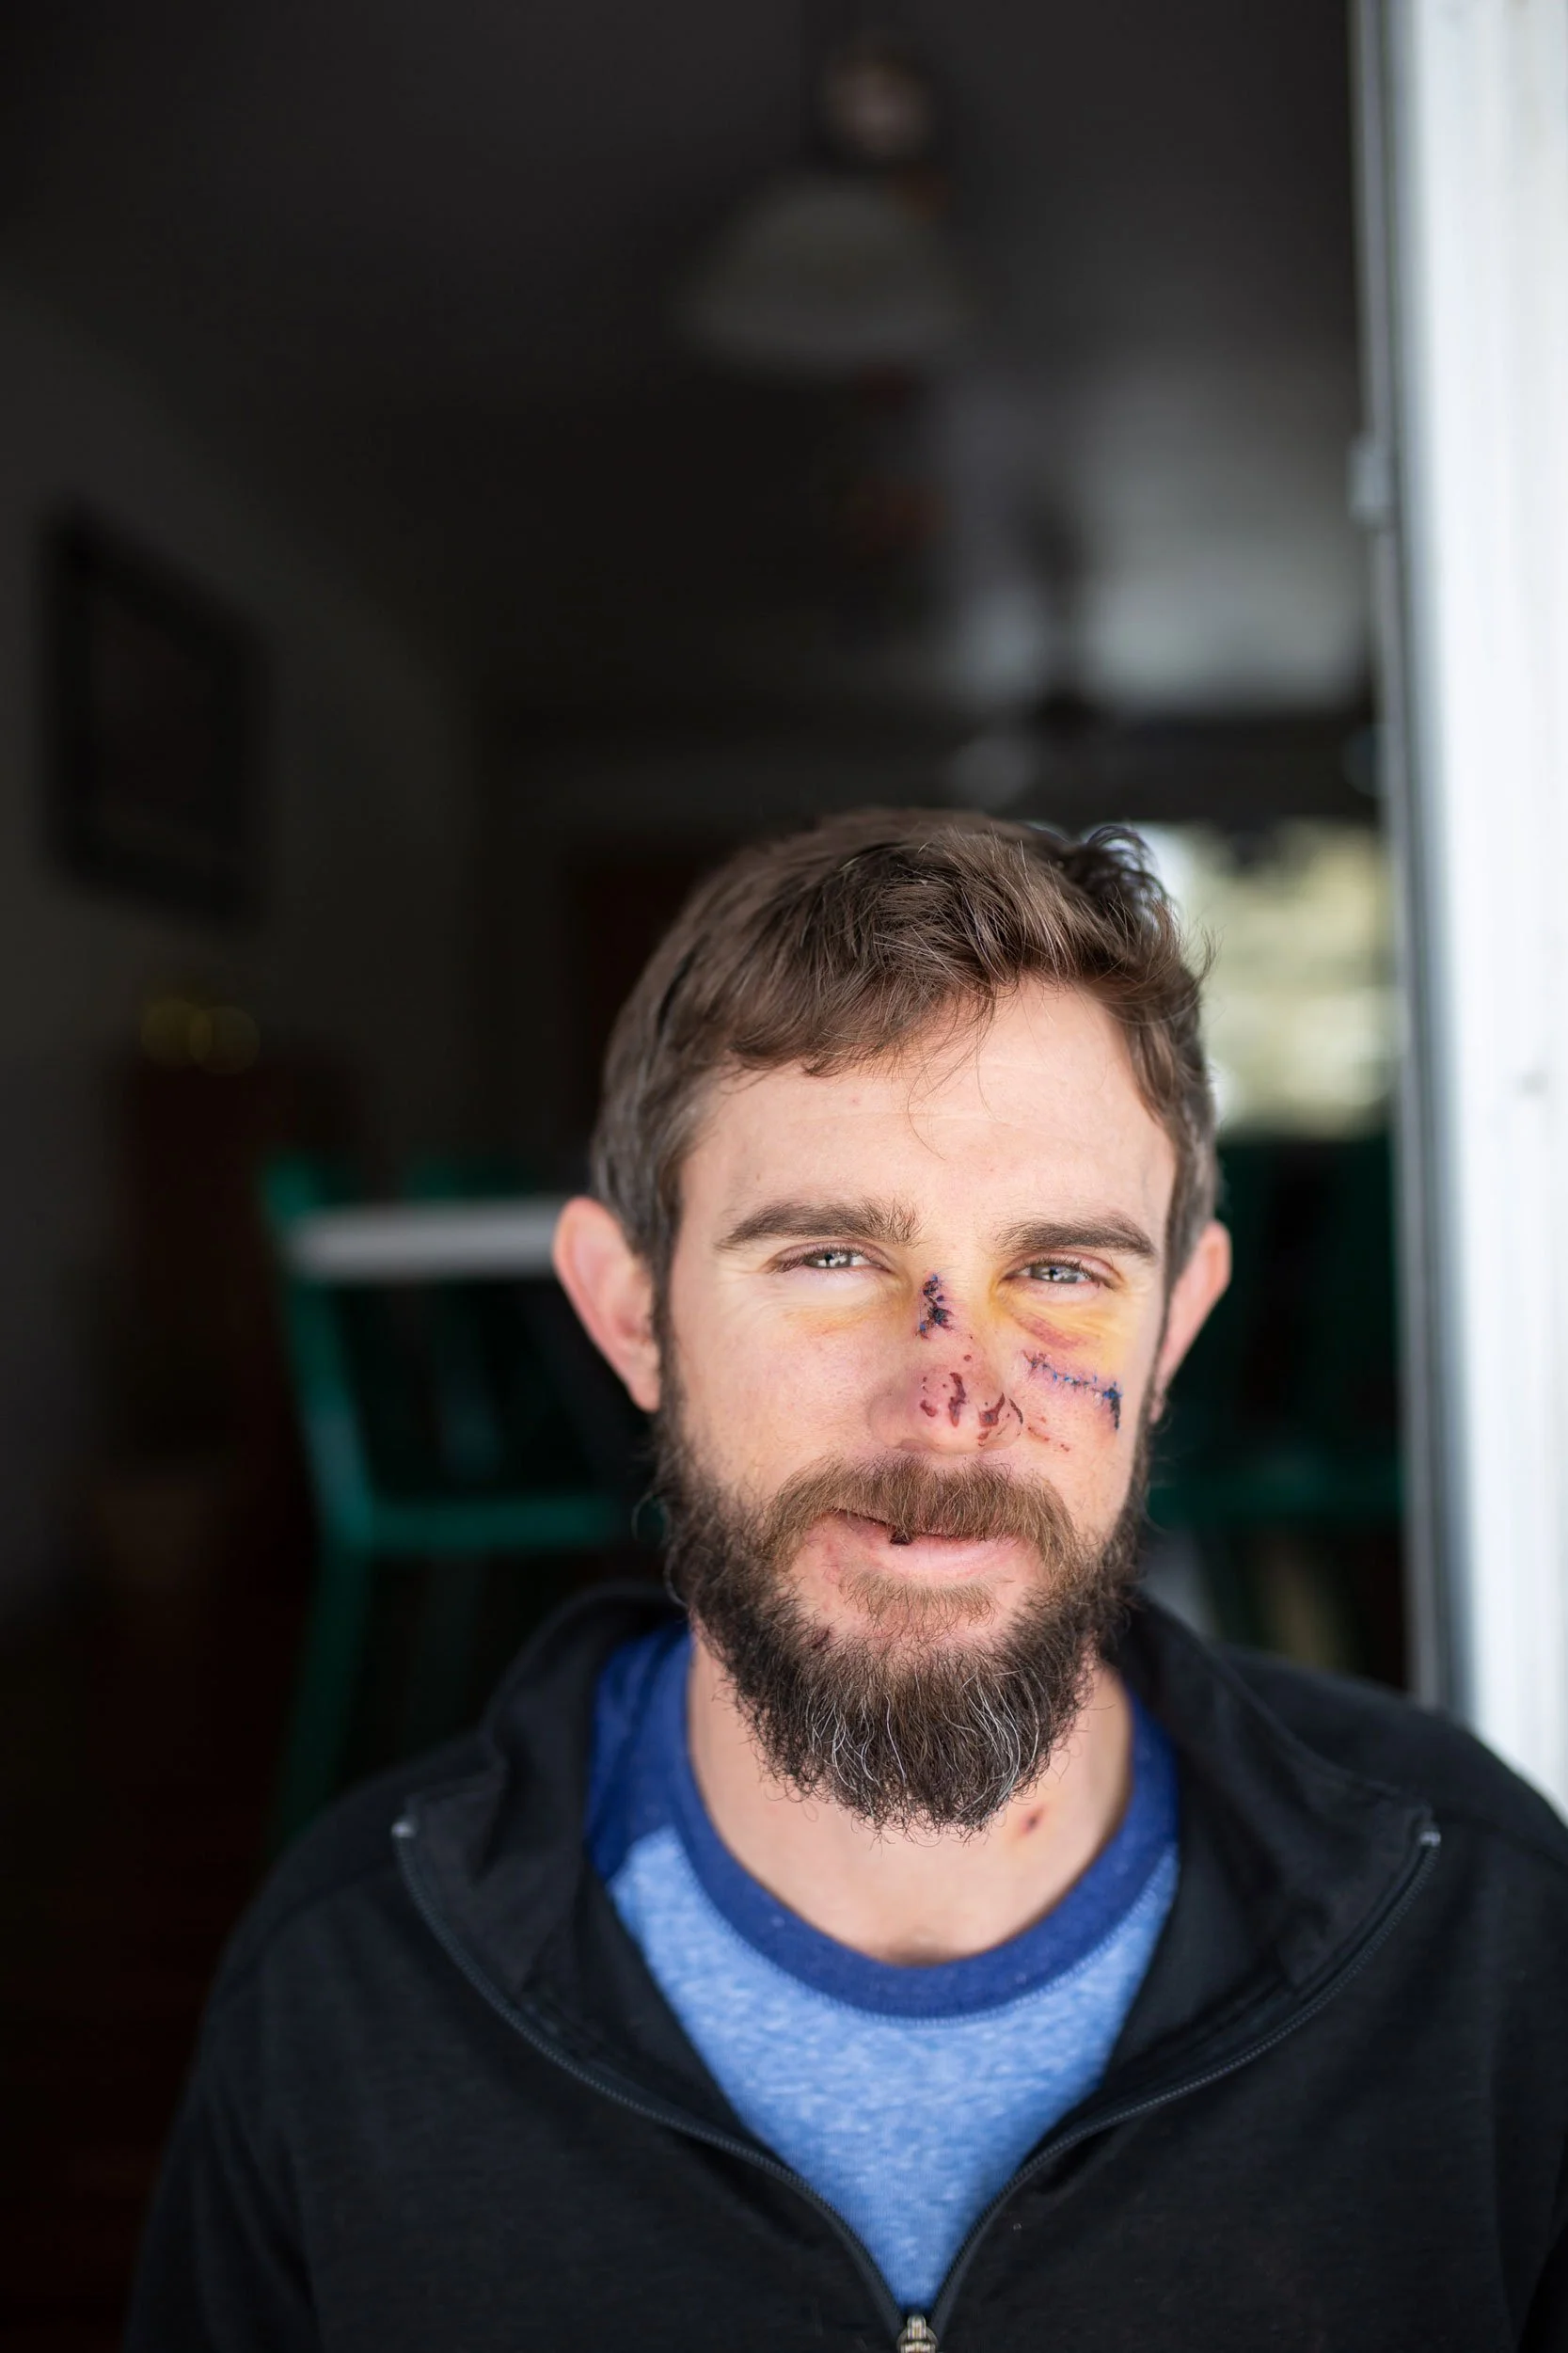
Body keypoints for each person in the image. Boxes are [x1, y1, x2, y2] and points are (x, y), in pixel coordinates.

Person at [128, 810, 1568, 2353]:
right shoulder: (351, 1986)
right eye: (826, 1260)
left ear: (1175, 1323)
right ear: (630, 1316)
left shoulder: (1475, 1935)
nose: (951, 1399)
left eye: (1062, 1271)